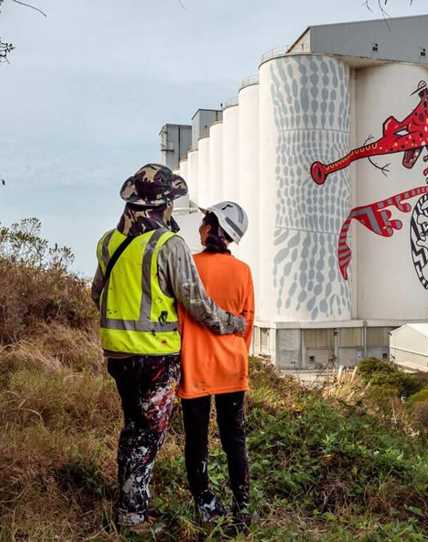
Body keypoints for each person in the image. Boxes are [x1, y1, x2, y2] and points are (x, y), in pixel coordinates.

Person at [91, 165, 246, 532]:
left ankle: (133, 504)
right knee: (146, 434)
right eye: (173, 201)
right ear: (163, 204)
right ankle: (132, 516)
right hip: (155, 357)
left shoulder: (107, 242)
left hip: (117, 355)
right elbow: (198, 304)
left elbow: (96, 294)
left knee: (134, 428)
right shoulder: (168, 245)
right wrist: (232, 324)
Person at [178, 201, 254, 532]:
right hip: (231, 369)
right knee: (234, 439)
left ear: (211, 229)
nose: (199, 227)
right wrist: (236, 357)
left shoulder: (189, 267)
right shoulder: (244, 272)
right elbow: (247, 323)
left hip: (195, 366)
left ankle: (205, 503)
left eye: (204, 221)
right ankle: (243, 506)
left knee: (196, 440)